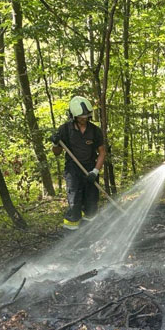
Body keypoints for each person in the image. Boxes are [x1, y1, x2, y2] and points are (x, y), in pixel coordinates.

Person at [50, 96, 106, 230]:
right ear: (73, 116)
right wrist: (55, 143)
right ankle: (71, 231)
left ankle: (89, 231)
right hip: (73, 170)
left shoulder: (95, 131)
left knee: (91, 204)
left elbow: (102, 152)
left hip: (90, 169)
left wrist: (95, 171)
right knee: (75, 203)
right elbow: (56, 152)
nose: (84, 119)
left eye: (86, 117)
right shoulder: (64, 129)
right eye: (81, 117)